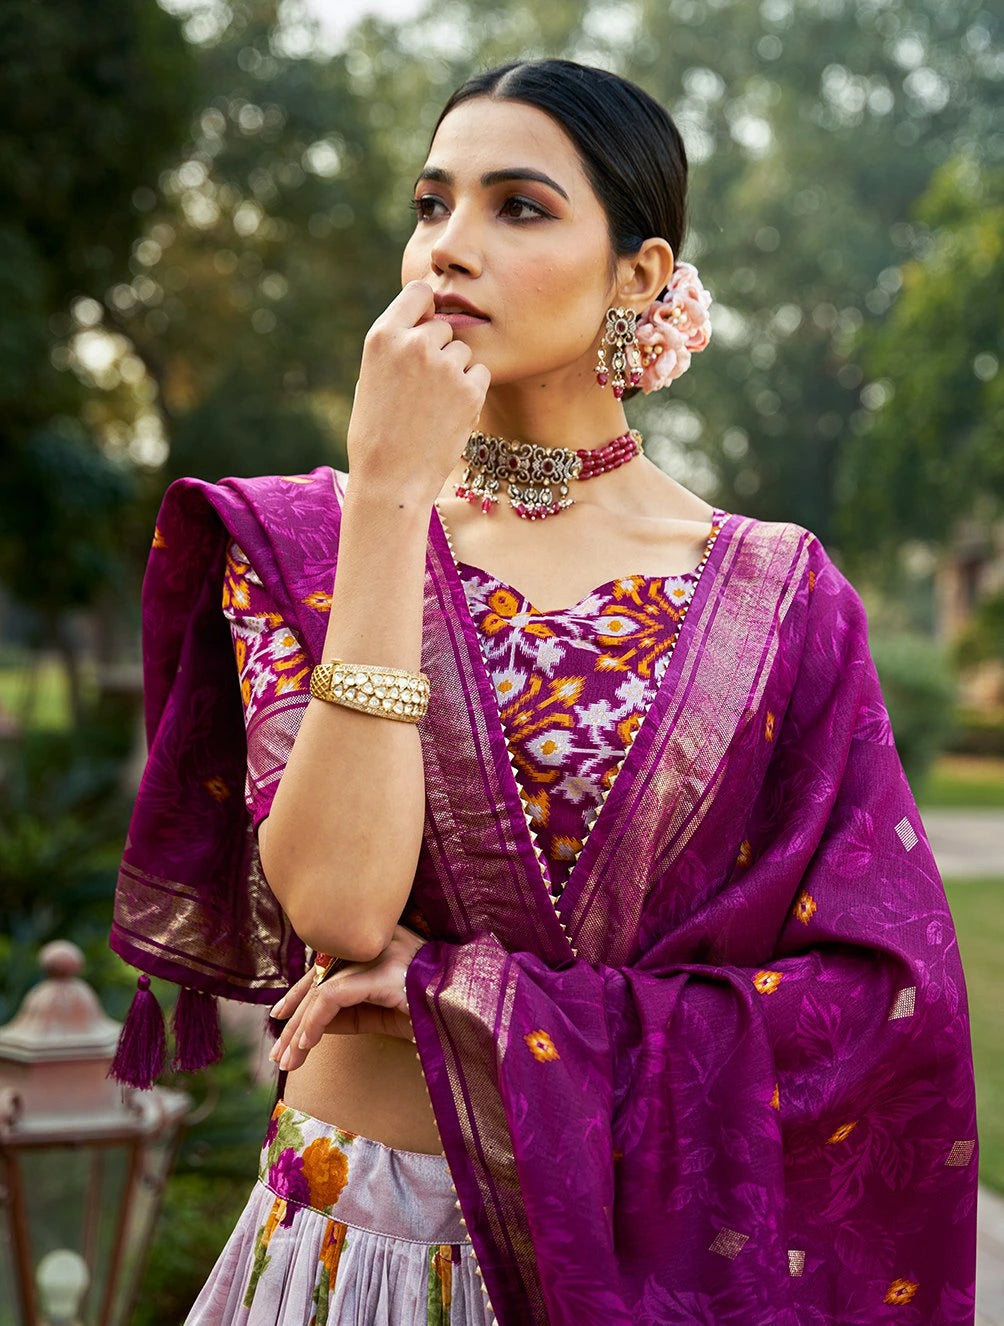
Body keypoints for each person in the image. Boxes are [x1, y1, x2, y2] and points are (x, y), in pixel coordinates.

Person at [108, 57, 979, 1326]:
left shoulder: (777, 596)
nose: (447, 249)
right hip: (350, 1259)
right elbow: (341, 908)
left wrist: (472, 1000)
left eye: (517, 206)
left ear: (638, 274)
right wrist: (394, 493)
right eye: (429, 204)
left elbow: (877, 1005)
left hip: (620, 1266)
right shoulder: (315, 540)